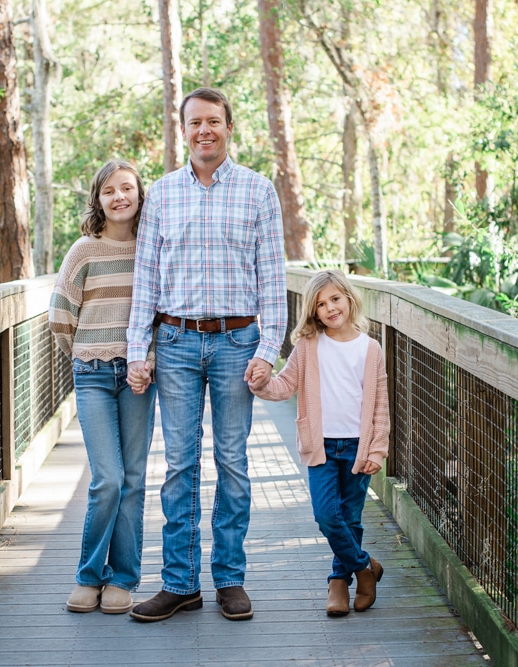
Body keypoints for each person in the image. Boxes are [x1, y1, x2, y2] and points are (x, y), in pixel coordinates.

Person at [125, 87, 287, 622]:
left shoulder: (259, 191)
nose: (204, 131)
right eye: (194, 122)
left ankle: (230, 579)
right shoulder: (162, 194)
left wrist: (268, 349)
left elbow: (273, 280)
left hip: (237, 344)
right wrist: (137, 350)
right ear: (184, 130)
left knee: (233, 462)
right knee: (179, 465)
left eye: (213, 121)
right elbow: (146, 280)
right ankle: (180, 583)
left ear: (228, 127)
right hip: (174, 343)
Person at [249, 270, 389, 617]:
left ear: (349, 298)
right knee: (326, 515)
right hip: (320, 445)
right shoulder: (308, 346)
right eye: (321, 304)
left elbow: (380, 405)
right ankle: (364, 568)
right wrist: (262, 383)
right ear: (313, 311)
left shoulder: (370, 349)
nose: (330, 308)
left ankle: (338, 582)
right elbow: (285, 386)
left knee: (351, 517)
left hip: (358, 446)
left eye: (335, 299)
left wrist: (377, 449)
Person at [50, 159, 156, 615]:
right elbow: (60, 316)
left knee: (132, 479)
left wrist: (148, 360)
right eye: (109, 190)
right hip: (92, 374)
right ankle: (89, 575)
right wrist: (84, 353)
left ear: (139, 195)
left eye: (126, 188)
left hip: (137, 378)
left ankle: (123, 578)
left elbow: (161, 315)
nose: (119, 197)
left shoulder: (151, 251)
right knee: (107, 479)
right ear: (98, 199)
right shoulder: (83, 251)